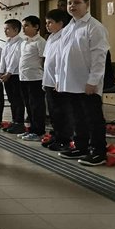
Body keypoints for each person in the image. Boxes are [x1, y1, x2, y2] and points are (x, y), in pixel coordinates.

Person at [57, 0, 110, 166]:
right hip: (70, 81)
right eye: (70, 3)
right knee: (76, 117)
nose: (72, 6)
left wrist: (93, 81)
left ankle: (98, 152)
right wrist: (59, 78)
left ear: (86, 4)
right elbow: (61, 56)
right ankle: (81, 146)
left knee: (93, 118)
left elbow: (99, 57)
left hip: (87, 83)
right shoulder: (68, 28)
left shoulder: (94, 27)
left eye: (77, 2)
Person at [42, 9, 73, 151]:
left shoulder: (65, 37)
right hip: (49, 80)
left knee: (61, 112)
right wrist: (45, 81)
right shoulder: (50, 37)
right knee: (53, 112)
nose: (47, 25)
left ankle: (64, 140)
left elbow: (63, 61)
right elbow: (47, 60)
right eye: (46, 23)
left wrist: (58, 79)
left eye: (50, 22)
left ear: (60, 23)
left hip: (59, 81)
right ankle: (56, 135)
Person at [17, 16, 47, 142]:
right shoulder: (24, 42)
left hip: (36, 78)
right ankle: (32, 129)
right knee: (28, 105)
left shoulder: (40, 42)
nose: (23, 28)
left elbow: (44, 60)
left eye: (26, 26)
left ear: (36, 27)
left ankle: (39, 132)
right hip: (24, 78)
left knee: (37, 106)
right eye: (23, 26)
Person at [0, 19, 25, 135]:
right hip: (6, 75)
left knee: (18, 100)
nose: (5, 31)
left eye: (7, 29)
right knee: (11, 99)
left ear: (16, 29)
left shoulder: (20, 42)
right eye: (4, 29)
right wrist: (1, 71)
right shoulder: (8, 42)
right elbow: (3, 58)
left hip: (15, 75)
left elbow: (16, 59)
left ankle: (19, 123)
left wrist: (8, 73)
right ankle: (14, 121)